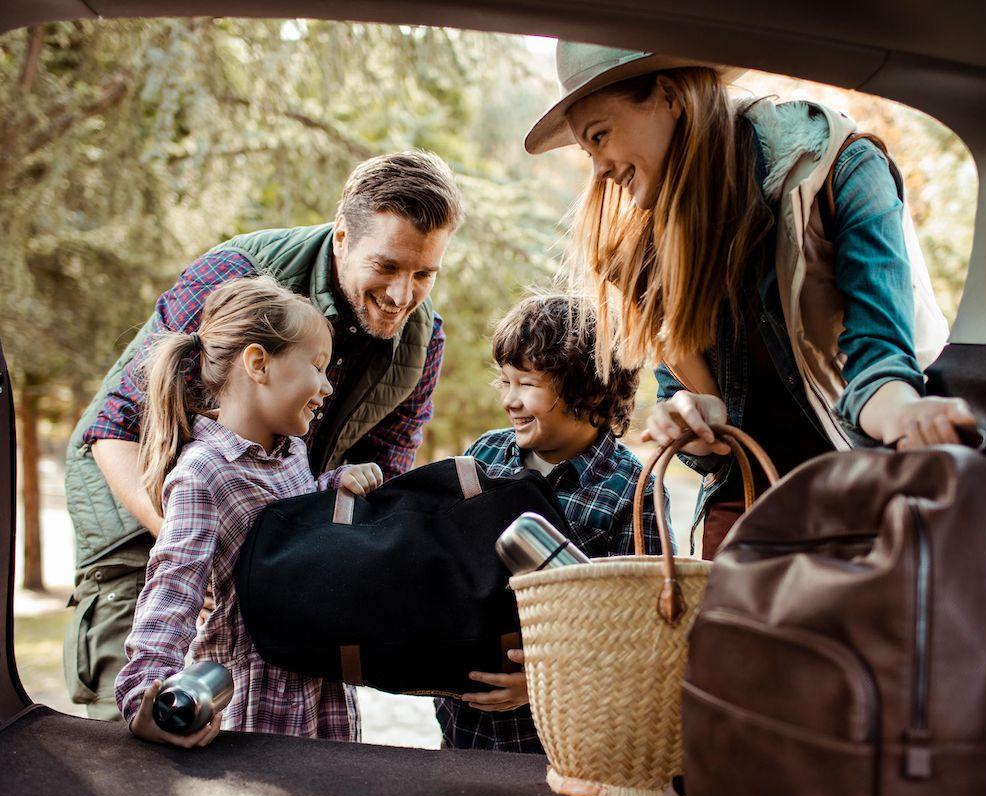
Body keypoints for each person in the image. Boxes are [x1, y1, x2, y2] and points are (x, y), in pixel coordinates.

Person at [525, 42, 978, 551]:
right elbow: (693, 408)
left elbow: (880, 365)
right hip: (748, 517)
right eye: (590, 154)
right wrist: (690, 420)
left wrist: (906, 416)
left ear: (670, 97)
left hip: (861, 499)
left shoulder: (840, 168)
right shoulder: (649, 255)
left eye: (600, 137)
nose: (600, 172)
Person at [64, 151, 462, 719]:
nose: (403, 294)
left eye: (424, 274)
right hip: (142, 517)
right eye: (388, 266)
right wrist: (198, 552)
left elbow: (379, 489)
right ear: (343, 236)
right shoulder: (235, 271)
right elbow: (114, 427)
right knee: (138, 733)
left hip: (267, 541)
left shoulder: (422, 344)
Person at [115, 275, 382, 746]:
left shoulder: (290, 454)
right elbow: (173, 588)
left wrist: (333, 487)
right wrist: (145, 696)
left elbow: (290, 527)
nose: (326, 385)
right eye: (318, 366)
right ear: (259, 363)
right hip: (257, 704)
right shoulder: (205, 472)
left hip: (320, 692)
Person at [435, 294, 672, 753]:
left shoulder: (633, 491)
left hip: (557, 739)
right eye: (504, 381)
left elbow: (640, 633)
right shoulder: (485, 454)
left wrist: (540, 684)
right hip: (461, 729)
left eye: (526, 383)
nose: (509, 400)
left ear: (589, 387)